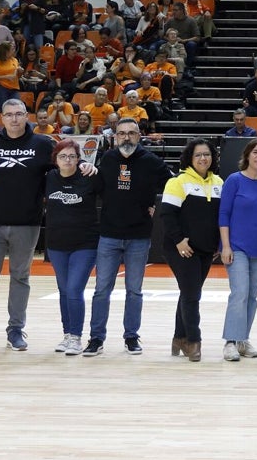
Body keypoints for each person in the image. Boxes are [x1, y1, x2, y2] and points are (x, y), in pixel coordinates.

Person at [0, 99, 61, 354]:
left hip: (26, 223)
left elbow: (62, 169)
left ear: (26, 116)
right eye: (9, 115)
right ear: (2, 118)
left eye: (19, 114)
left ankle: (15, 330)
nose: (14, 119)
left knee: (20, 277)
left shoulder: (42, 144)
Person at [83, 117, 172, 356]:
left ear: (139, 136)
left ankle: (131, 336)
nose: (126, 137)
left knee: (134, 290)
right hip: (109, 235)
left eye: (131, 133)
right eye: (121, 133)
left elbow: (172, 184)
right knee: (102, 289)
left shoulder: (151, 161)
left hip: (139, 236)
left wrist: (156, 204)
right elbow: (96, 189)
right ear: (115, 136)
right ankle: (96, 338)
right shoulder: (107, 159)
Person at [160, 139, 223, 363]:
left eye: (207, 154)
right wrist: (179, 241)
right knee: (192, 294)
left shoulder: (219, 182)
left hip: (207, 249)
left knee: (189, 292)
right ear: (190, 158)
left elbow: (219, 218)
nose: (203, 158)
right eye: (198, 155)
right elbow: (167, 215)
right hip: (181, 249)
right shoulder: (178, 182)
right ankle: (193, 341)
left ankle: (178, 337)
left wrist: (218, 243)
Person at [43, 138, 101, 355]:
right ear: (55, 159)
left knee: (74, 289)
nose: (68, 160)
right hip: (57, 244)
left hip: (85, 244)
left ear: (79, 159)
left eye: (72, 156)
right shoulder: (49, 178)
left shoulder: (89, 177)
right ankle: (67, 334)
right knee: (63, 290)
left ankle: (76, 337)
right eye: (63, 156)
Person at [219, 138, 257, 362]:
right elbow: (223, 214)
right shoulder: (234, 180)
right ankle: (230, 341)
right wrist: (225, 245)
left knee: (252, 296)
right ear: (247, 155)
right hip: (236, 247)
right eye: (255, 152)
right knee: (240, 292)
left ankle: (242, 339)